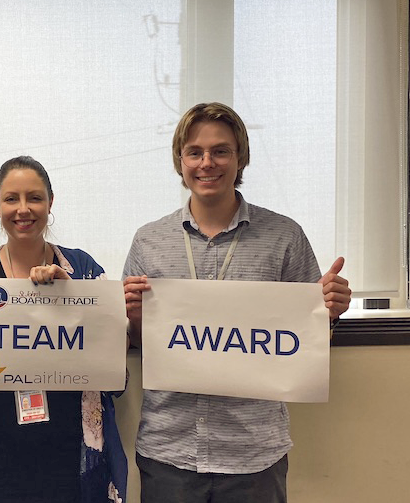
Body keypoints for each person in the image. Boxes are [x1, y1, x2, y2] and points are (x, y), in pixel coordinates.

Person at [123, 102, 352, 503]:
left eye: (220, 151)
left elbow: (307, 343)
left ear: (240, 157)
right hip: (169, 450)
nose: (206, 162)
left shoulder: (284, 236)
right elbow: (139, 343)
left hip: (254, 454)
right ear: (181, 160)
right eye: (195, 152)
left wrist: (328, 312)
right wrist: (135, 318)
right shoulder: (149, 241)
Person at [0, 156, 127, 503]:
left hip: (68, 451)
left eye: (34, 198)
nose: (23, 209)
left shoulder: (80, 267)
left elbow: (114, 354)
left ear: (50, 202)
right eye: (11, 199)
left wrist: (71, 294)